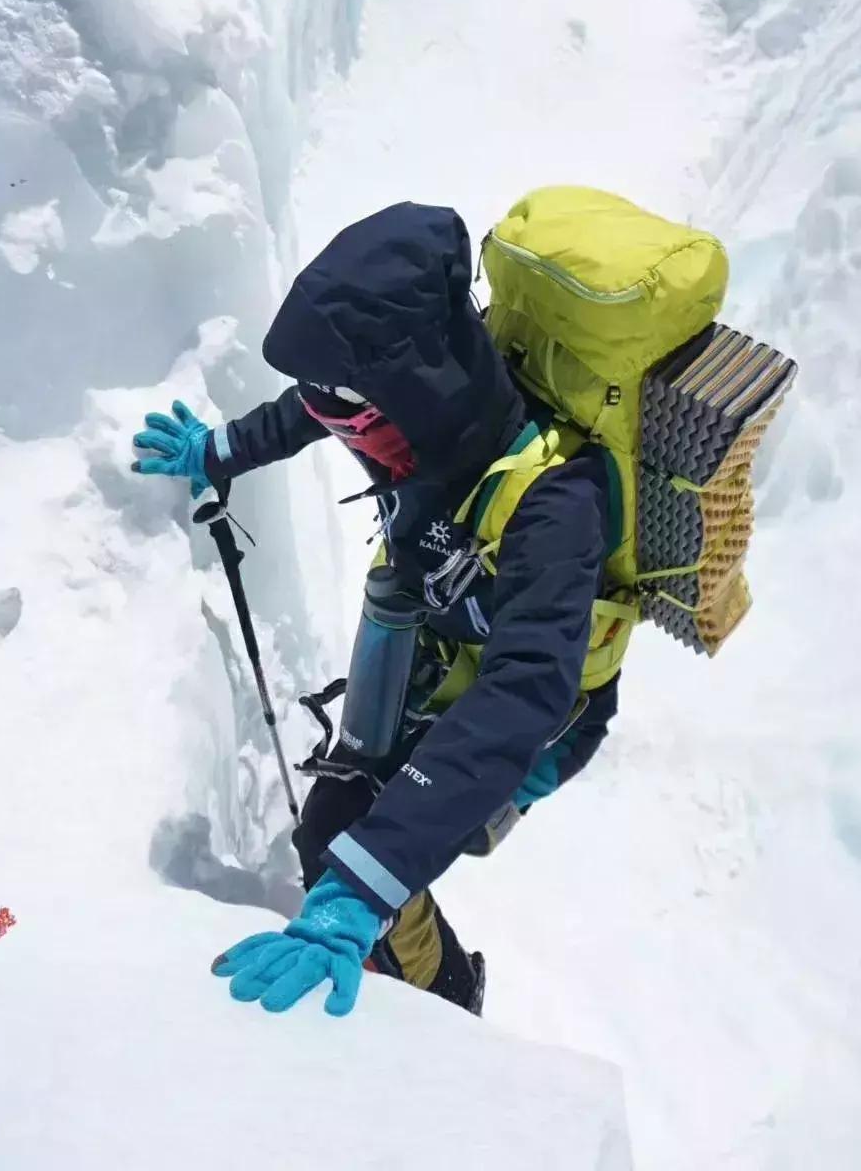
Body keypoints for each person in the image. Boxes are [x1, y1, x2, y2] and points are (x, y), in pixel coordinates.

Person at [132, 202, 619, 1017]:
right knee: (334, 832)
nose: (352, 440)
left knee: (354, 842)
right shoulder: (408, 410)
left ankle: (446, 1007)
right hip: (439, 657)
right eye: (341, 419)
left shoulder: (554, 506)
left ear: (420, 394)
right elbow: (311, 411)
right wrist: (220, 452)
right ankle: (418, 956)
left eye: (359, 421)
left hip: (543, 716)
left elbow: (523, 694)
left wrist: (363, 885)